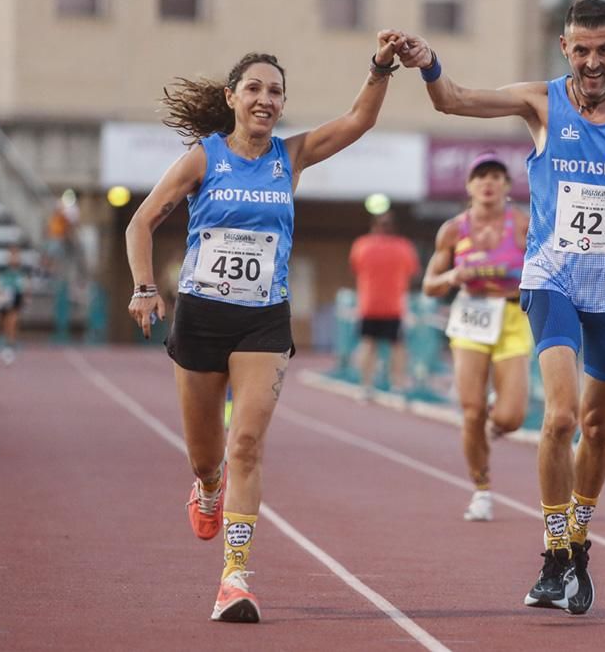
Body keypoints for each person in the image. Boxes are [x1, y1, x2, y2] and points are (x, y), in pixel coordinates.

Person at [395, 0, 605, 615]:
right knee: (561, 416)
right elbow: (454, 100)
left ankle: (579, 540)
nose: (592, 61)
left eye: (603, 49)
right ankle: (553, 554)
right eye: (580, 50)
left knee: (598, 426)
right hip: (553, 279)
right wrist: (429, 62)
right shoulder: (541, 103)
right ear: (564, 49)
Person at [124, 33, 402, 624]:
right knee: (208, 457)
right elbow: (141, 222)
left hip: (263, 321)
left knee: (245, 444)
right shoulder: (205, 158)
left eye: (275, 91)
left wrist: (380, 66)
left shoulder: (290, 156)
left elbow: (358, 120)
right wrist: (145, 288)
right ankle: (205, 488)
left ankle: (235, 577)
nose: (265, 99)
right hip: (200, 317)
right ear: (231, 96)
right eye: (253, 88)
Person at [421, 151, 533, 522]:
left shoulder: (523, 225)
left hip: (513, 316)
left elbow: (547, 271)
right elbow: (429, 286)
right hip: (471, 315)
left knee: (512, 415)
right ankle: (481, 489)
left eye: (496, 176)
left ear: (506, 185)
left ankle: (492, 426)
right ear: (469, 186)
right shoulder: (454, 230)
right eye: (481, 176)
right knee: (470, 410)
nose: (488, 182)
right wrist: (453, 277)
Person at [348, 210, 420, 397]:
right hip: (394, 306)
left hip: (369, 304)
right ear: (394, 228)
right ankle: (397, 385)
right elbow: (412, 271)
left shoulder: (361, 245)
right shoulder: (404, 247)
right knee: (397, 346)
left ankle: (365, 385)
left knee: (368, 344)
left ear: (374, 226)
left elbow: (355, 268)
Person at [0, 244, 30, 365]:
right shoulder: (1, 269)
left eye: (16, 255)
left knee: (12, 318)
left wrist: (25, 296)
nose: (14, 258)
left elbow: (27, 284)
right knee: (3, 320)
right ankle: (7, 339)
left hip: (16, 295)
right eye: (12, 255)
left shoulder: (23, 270)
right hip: (3, 297)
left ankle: (10, 344)